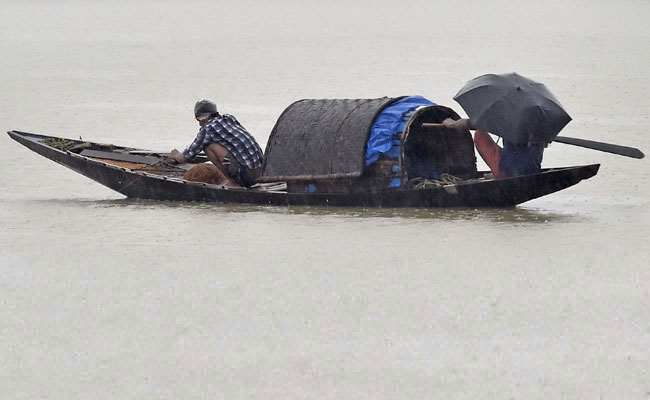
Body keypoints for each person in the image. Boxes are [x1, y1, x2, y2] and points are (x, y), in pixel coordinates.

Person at [169, 99, 264, 187]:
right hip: (261, 171)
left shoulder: (207, 130)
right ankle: (237, 179)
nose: (200, 124)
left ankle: (233, 182)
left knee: (208, 147)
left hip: (247, 178)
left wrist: (176, 155)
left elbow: (185, 157)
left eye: (199, 120)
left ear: (204, 117)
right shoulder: (229, 118)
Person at [442, 118, 547, 179]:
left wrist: (450, 123)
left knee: (479, 134)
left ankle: (499, 173)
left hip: (508, 171)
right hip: (532, 170)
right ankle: (501, 171)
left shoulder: (509, 118)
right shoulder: (542, 123)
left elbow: (471, 123)